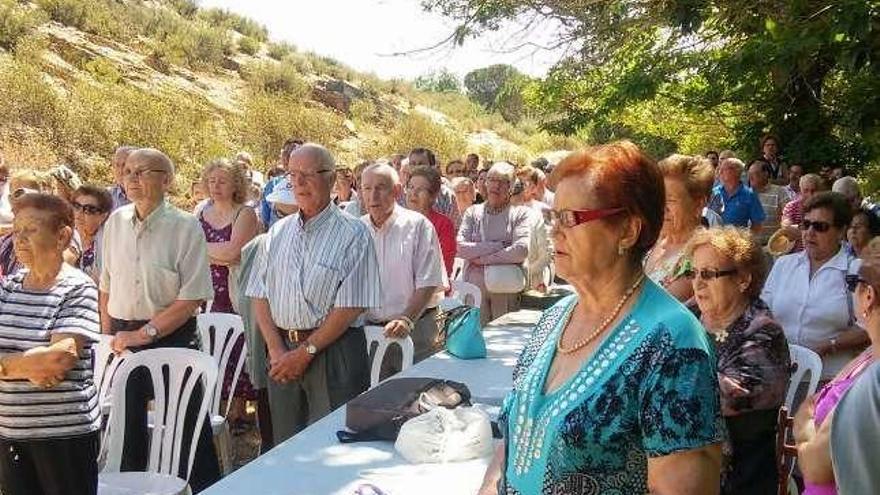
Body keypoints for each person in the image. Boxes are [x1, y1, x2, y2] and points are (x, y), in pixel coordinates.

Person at [478, 141, 723, 495]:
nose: (554, 231)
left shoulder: (672, 342)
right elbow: (514, 438)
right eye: (552, 216)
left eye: (570, 218)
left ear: (628, 231)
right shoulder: (555, 318)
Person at [99, 148, 220, 491]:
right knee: (126, 428)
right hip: (123, 336)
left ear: (166, 181)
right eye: (127, 172)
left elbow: (192, 297)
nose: (132, 179)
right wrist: (108, 338)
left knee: (188, 428)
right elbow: (106, 285)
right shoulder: (116, 221)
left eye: (143, 172)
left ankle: (205, 489)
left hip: (173, 335)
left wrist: (147, 333)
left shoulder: (185, 226)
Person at [246, 143, 381, 444]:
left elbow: (350, 306)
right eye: (293, 175)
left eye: (309, 174)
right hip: (281, 353)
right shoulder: (277, 233)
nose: (300, 183)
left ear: (332, 179)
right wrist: (277, 349)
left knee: (331, 446)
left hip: (334, 354)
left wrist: (305, 353)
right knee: (286, 445)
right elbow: (259, 294)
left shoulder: (354, 233)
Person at [0, 193, 101, 495]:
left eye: (30, 230)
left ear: (62, 236)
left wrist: (9, 363)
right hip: (10, 432)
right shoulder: (10, 286)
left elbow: (58, 361)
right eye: (16, 231)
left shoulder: (77, 287)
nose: (20, 240)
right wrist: (27, 365)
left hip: (63, 434)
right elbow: (43, 363)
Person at [685, 227, 790, 495]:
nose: (697, 283)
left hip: (739, 476)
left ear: (743, 279)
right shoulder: (690, 315)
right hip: (687, 461)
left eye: (709, 274)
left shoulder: (763, 331)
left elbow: (727, 396)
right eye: (693, 272)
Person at [796, 238, 880, 495]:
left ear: (868, 296)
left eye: (852, 284)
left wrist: (803, 427)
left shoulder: (872, 375)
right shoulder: (869, 355)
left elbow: (815, 466)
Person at [762, 192, 868, 381]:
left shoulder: (856, 271)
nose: (810, 232)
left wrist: (828, 346)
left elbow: (868, 328)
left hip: (831, 380)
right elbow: (762, 313)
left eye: (820, 227)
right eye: (806, 224)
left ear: (841, 231)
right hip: (779, 376)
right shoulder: (784, 265)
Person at [360, 163, 446, 376]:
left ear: (397, 191)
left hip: (416, 330)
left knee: (415, 399)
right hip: (370, 333)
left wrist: (406, 319)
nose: (373, 196)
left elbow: (428, 282)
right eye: (367, 188)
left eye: (381, 187)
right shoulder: (357, 229)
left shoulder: (418, 225)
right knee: (375, 402)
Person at [198, 158, 260, 426]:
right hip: (205, 290)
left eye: (222, 181)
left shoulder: (244, 214)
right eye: (211, 181)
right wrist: (214, 252)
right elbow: (187, 252)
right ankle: (215, 407)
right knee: (210, 346)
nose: (216, 186)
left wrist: (202, 249)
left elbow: (234, 254)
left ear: (236, 184)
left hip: (234, 291)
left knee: (237, 346)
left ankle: (238, 412)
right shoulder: (200, 212)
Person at [457, 162, 532, 325]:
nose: (496, 186)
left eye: (503, 182)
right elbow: (460, 248)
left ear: (511, 187)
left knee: (503, 336)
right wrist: (497, 246)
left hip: (505, 286)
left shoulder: (520, 214)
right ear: (485, 182)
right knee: (475, 337)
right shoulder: (473, 212)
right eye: (492, 179)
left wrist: (482, 259)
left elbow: (521, 250)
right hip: (474, 289)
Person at [645, 154, 714, 301]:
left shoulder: (701, 254)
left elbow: (659, 306)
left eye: (670, 200)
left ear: (699, 203)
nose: (661, 207)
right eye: (658, 198)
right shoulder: (651, 242)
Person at [407, 166, 457, 278]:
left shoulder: (443, 224)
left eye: (420, 190)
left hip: (432, 289)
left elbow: (445, 266)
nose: (413, 193)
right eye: (411, 187)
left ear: (433, 196)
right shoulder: (397, 221)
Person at [708, 158, 765, 234]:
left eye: (724, 169)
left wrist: (747, 241)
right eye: (719, 169)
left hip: (735, 243)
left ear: (736, 172)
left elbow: (757, 224)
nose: (720, 172)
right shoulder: (713, 193)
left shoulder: (749, 195)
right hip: (713, 242)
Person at [408, 147, 460, 228]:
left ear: (432, 166)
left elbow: (454, 226)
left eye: (421, 164)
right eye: (413, 164)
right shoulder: (400, 193)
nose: (417, 167)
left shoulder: (446, 194)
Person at [71, 185, 112, 283]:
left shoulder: (109, 242)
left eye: (89, 209)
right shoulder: (66, 236)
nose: (79, 214)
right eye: (77, 206)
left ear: (103, 216)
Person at [781, 173, 824, 252]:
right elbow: (787, 230)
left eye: (814, 191)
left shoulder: (825, 208)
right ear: (800, 190)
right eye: (806, 190)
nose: (810, 194)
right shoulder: (792, 206)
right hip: (796, 253)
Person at [748, 159, 787, 245]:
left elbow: (789, 218)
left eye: (755, 174)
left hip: (774, 246)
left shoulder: (780, 192)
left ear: (765, 174)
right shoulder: (745, 194)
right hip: (751, 246)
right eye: (749, 174)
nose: (751, 177)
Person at [108, 145, 135, 211]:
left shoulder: (149, 197)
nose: (120, 171)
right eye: (117, 165)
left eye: (124, 165)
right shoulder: (105, 197)